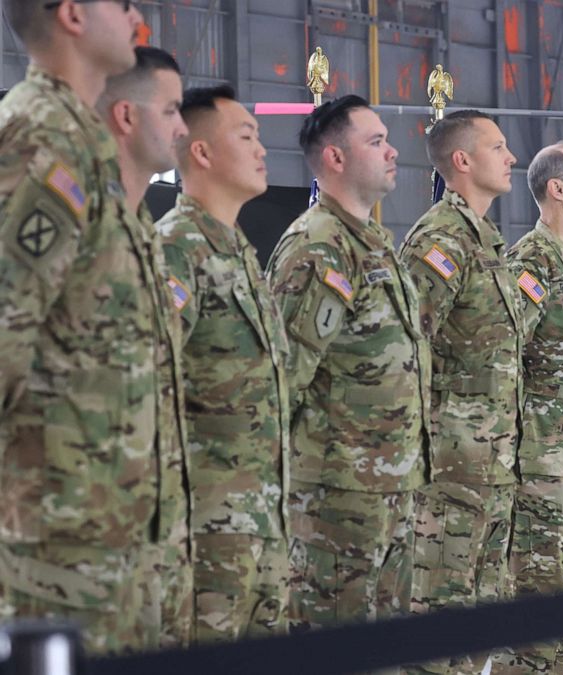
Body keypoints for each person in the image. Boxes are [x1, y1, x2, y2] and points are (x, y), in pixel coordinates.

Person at [0, 0, 183, 654]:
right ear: (73, 15)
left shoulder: (79, 139)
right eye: (122, 4)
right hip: (56, 539)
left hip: (107, 528)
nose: (135, 14)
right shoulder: (41, 135)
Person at [266, 95, 430, 638]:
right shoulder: (318, 247)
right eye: (376, 141)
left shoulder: (375, 243)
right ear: (334, 158)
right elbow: (281, 381)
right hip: (336, 502)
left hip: (389, 490)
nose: (393, 152)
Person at [156, 85, 291, 642]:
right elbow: (154, 387)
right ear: (202, 153)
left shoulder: (238, 253)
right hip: (205, 530)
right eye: (246, 136)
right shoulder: (175, 249)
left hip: (260, 518)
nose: (262, 149)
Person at [398, 110, 522, 674]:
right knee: (440, 619)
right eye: (499, 147)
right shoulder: (440, 239)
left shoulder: (486, 239)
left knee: (480, 622)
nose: (511, 157)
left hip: (492, 466)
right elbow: (409, 347)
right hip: (451, 470)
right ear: (463, 162)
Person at [490, 141, 563, 675]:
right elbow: (501, 358)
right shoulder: (530, 263)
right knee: (534, 612)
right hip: (537, 467)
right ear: (557, 190)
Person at [96, 45, 193, 649]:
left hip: (152, 525)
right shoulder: (83, 218)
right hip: (76, 530)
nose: (182, 127)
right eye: (173, 109)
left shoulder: (141, 236)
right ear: (127, 117)